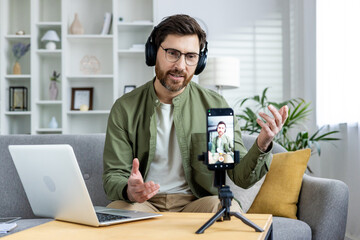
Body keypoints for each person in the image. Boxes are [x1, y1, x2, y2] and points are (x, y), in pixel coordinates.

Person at [102, 14, 288, 213]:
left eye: (190, 56)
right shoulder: (125, 108)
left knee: (227, 210)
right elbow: (114, 175)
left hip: (196, 202)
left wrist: (262, 143)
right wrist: (130, 191)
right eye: (172, 53)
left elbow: (241, 177)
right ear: (153, 52)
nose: (181, 66)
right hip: (143, 203)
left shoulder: (214, 105)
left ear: (200, 61)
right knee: (118, 210)